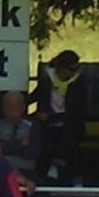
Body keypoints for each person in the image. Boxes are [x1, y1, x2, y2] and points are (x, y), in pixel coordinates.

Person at [28, 49, 87, 185]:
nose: (74, 73)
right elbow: (35, 96)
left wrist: (52, 117)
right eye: (71, 69)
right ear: (61, 68)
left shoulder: (78, 83)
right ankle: (44, 171)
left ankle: (63, 169)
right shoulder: (48, 80)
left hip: (68, 120)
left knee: (68, 133)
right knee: (38, 130)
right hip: (47, 121)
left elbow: (78, 110)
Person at [0, 91, 43, 183]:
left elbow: (34, 152)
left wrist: (5, 147)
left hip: (27, 171)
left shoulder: (33, 125)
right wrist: (20, 143)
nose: (12, 107)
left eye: (16, 104)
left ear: (23, 107)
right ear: (3, 107)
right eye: (9, 104)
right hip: (1, 171)